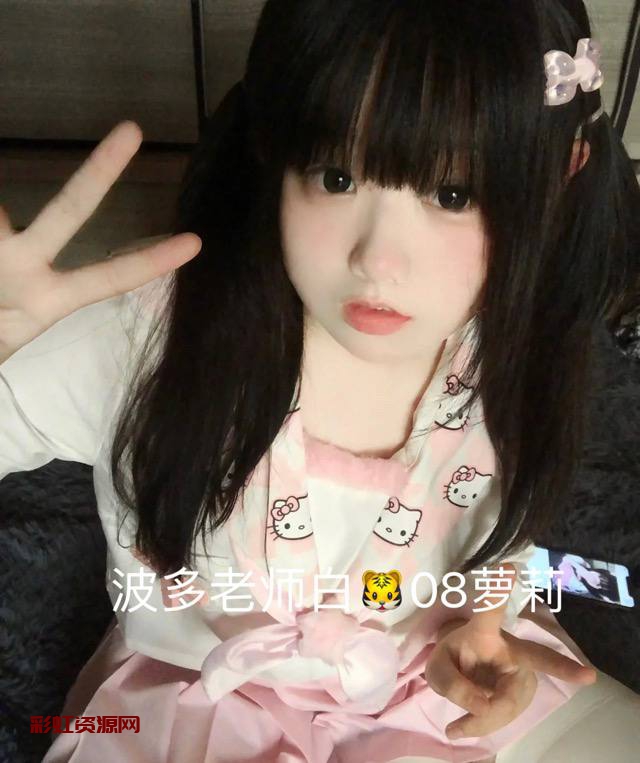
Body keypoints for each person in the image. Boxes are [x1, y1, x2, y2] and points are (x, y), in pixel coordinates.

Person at [0, 0, 638, 761]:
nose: (377, 260)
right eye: (336, 177)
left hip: (438, 684)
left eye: (453, 195)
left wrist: (483, 622)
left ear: (563, 174)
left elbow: (499, 520)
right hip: (200, 696)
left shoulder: (520, 334)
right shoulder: (153, 332)